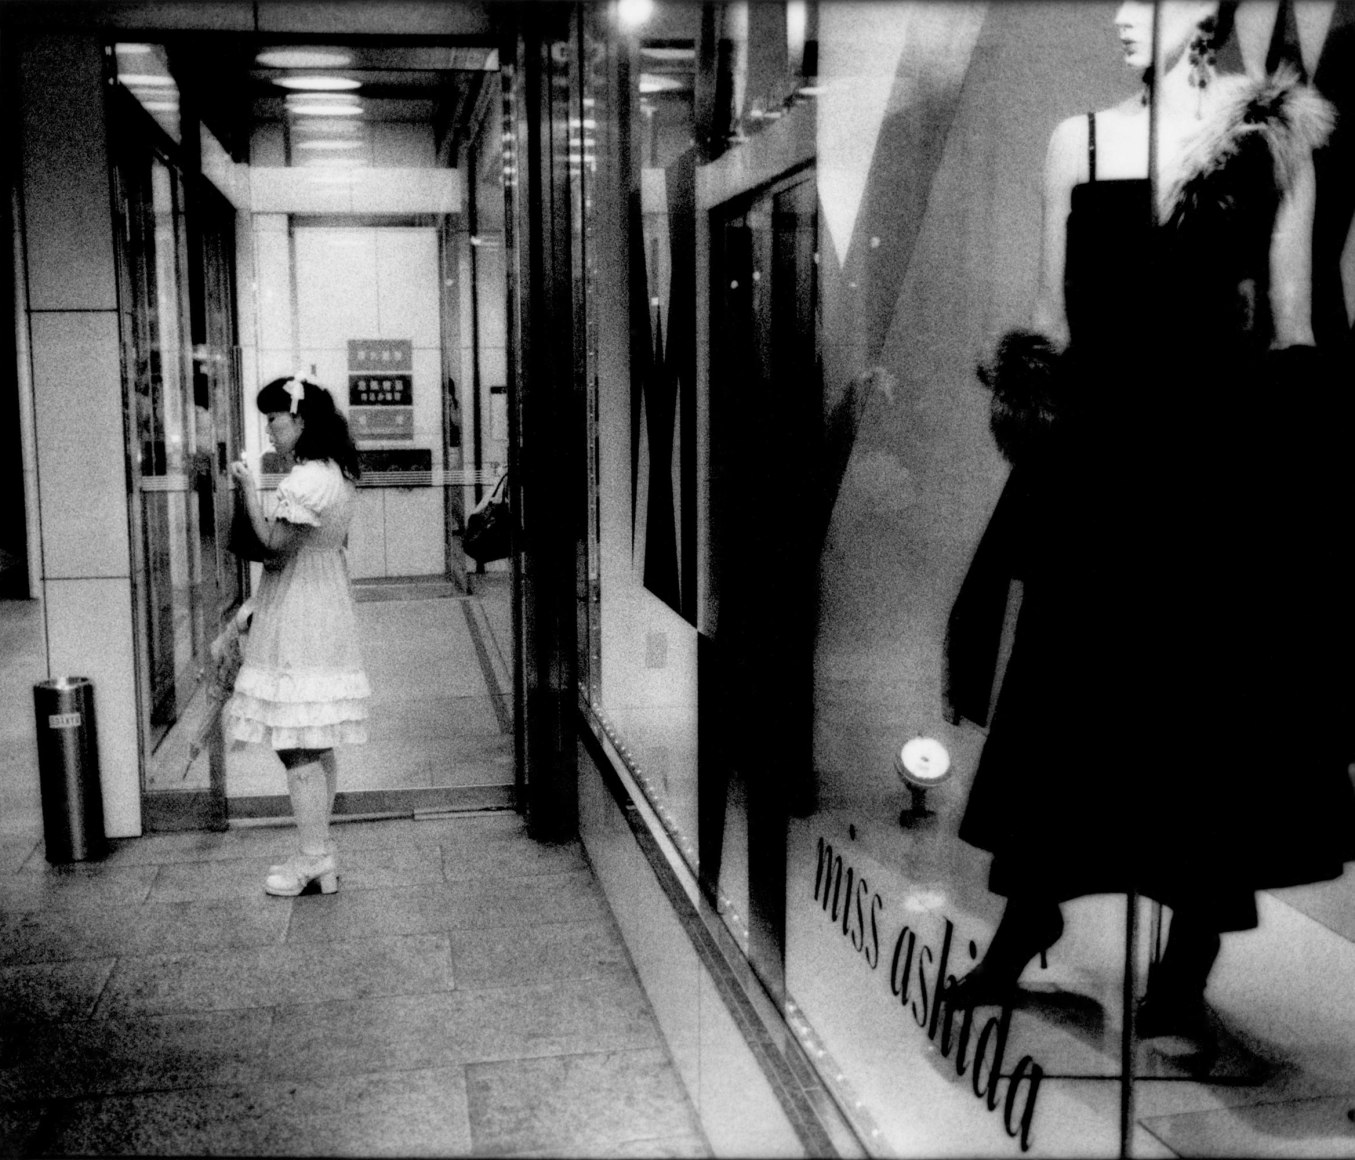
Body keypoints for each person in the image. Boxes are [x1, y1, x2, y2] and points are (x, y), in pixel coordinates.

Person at [944, 0, 1355, 1047]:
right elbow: (1051, 315)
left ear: (1206, 13)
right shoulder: (1073, 141)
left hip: (1215, 472)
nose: (1122, 16)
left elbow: (1294, 327)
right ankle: (1026, 913)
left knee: (1202, 713)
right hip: (1096, 463)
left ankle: (1186, 956)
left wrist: (1296, 481)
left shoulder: (1269, 145)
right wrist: (1022, 398)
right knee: (1065, 695)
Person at [226, 375, 371, 897]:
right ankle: (319, 855)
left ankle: (313, 858)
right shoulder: (335, 472)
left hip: (300, 611)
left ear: (300, 420)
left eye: (274, 418)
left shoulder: (306, 480)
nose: (268, 429)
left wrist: (246, 489)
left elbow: (273, 549)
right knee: (314, 735)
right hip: (322, 599)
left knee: (296, 743)